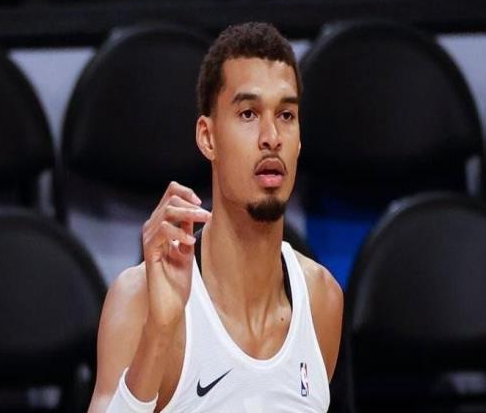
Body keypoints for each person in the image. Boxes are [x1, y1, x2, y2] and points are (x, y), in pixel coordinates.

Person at [88, 22, 343, 413]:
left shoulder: (322, 300)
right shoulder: (137, 299)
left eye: (286, 115)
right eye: (248, 113)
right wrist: (159, 331)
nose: (271, 136)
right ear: (208, 137)